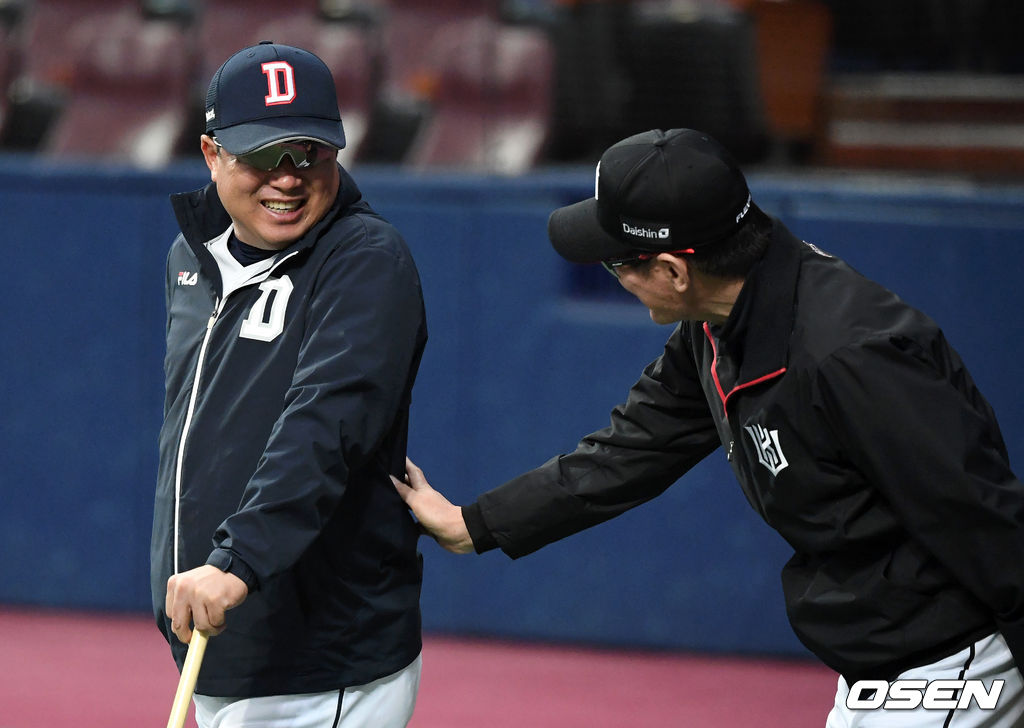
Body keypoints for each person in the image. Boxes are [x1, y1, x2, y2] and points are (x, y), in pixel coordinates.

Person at [394, 128, 1024, 726]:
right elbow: (629, 450)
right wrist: (474, 524)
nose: (617, 279)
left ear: (673, 270)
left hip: (949, 660)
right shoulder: (719, 320)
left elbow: (982, 518)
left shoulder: (849, 354)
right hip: (881, 661)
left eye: (617, 265)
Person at [152, 42, 427, 728]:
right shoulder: (192, 257)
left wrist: (237, 560)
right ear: (213, 154)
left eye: (309, 155)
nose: (288, 179)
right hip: (224, 635)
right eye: (262, 157)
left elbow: (324, 429)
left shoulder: (365, 261)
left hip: (315, 655)